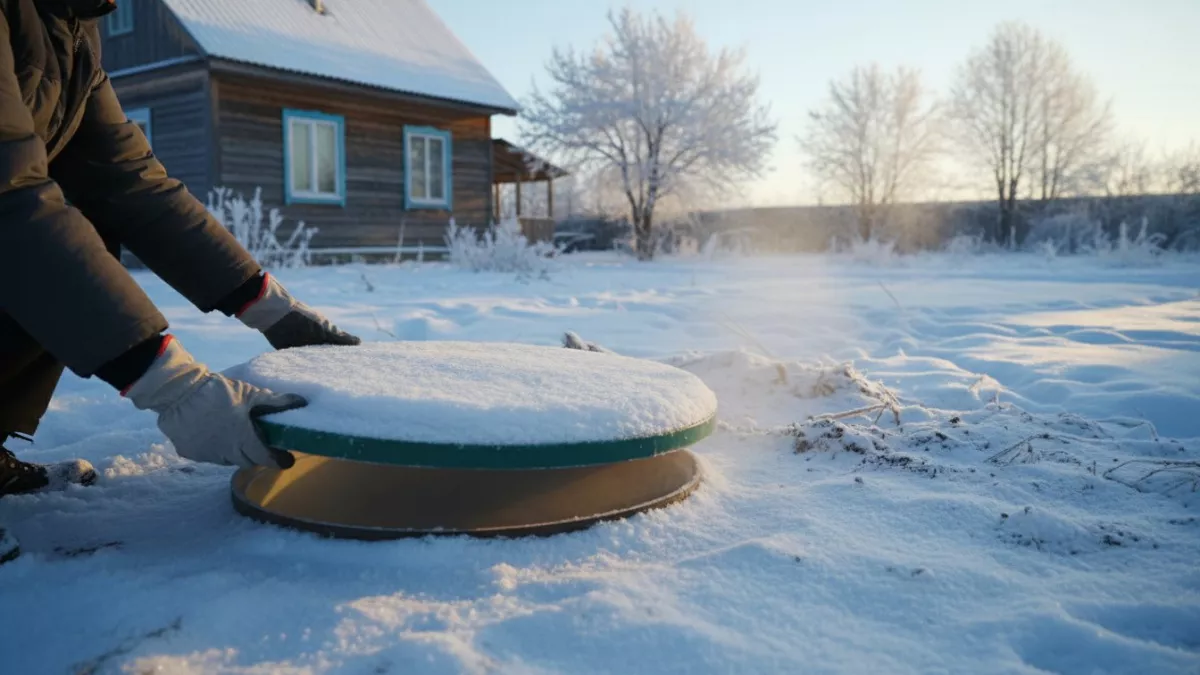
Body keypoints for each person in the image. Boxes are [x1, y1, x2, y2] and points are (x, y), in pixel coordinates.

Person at [0, 0, 361, 564]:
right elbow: (8, 197)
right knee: (41, 246)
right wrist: (174, 387)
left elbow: (130, 183)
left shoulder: (66, 23)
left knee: (85, 235)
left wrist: (268, 306)